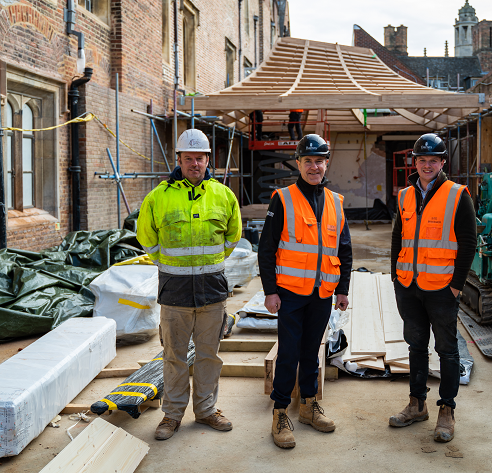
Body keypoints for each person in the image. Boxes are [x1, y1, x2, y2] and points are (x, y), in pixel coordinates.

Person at [136, 128, 242, 441]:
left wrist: (210, 263)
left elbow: (233, 235)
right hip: (174, 291)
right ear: (179, 159)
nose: (195, 163)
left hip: (212, 290)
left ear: (209, 160)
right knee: (174, 356)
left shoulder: (223, 195)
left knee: (209, 355)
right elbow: (146, 236)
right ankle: (172, 415)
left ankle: (207, 410)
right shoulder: (159, 196)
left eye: (200, 158)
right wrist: (167, 263)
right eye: (189, 158)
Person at [257, 133, 352, 449]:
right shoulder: (282, 199)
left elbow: (345, 249)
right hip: (291, 293)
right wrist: (270, 291)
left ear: (327, 163)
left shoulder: (336, 203)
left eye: (319, 160)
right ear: (298, 163)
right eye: (308, 161)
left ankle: (309, 406)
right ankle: (281, 411)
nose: (314, 167)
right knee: (288, 353)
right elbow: (267, 248)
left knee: (313, 351)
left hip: (322, 293)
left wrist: (342, 289)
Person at [388, 133, 476, 443]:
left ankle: (446, 410)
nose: (427, 165)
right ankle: (417, 404)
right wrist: (394, 277)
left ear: (442, 163)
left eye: (433, 160)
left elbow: (468, 243)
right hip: (409, 286)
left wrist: (456, 286)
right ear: (415, 162)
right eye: (422, 160)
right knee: (415, 346)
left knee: (447, 351)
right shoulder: (405, 196)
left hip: (441, 288)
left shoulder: (457, 194)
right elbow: (398, 237)